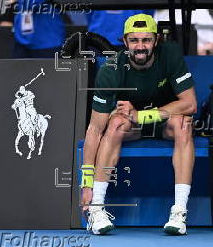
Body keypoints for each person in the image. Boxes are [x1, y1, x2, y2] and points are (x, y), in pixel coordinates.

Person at [80, 14, 197, 235]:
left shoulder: (170, 54)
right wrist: (86, 183)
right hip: (129, 127)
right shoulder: (111, 69)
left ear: (155, 41)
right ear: (125, 42)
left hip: (164, 122)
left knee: (184, 124)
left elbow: (190, 104)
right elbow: (95, 130)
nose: (140, 46)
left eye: (146, 40)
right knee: (114, 123)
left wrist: (142, 116)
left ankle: (179, 211)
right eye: (134, 40)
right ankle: (96, 208)